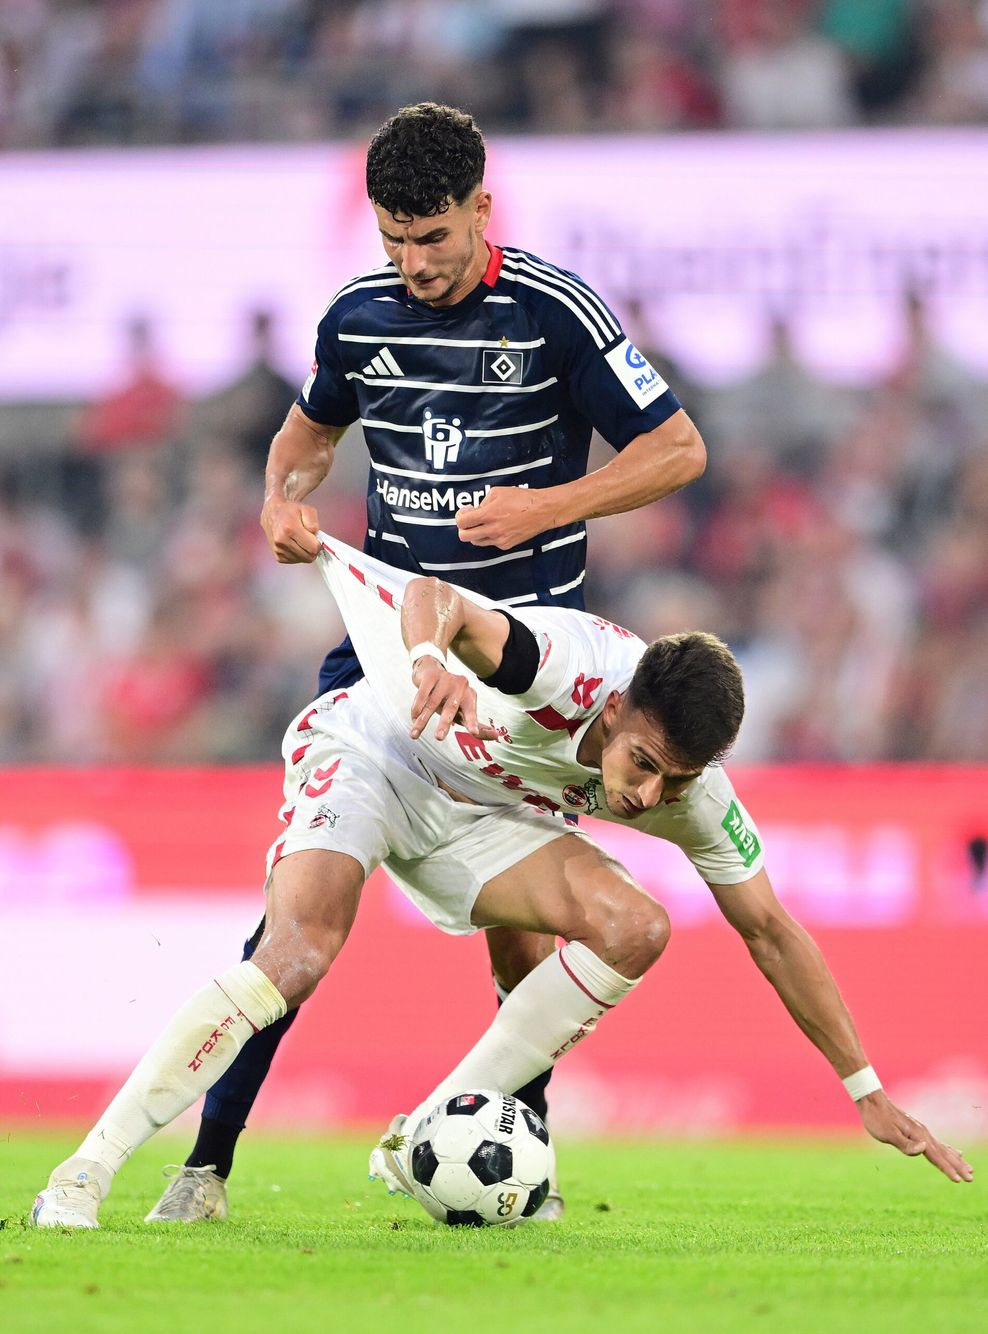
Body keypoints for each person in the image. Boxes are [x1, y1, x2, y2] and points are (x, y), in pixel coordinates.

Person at [30, 535, 972, 1229]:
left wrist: (864, 1087)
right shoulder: (563, 665)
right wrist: (432, 657)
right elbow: (436, 596)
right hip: (377, 751)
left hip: (480, 816)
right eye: (642, 763)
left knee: (637, 926)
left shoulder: (686, 786)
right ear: (616, 709)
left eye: (675, 780)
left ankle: (423, 1133)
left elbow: (771, 930)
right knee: (300, 951)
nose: (648, 797)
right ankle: (85, 1171)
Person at [143, 100, 707, 1224]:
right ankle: (205, 1163)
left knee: (523, 937)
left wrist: (552, 500)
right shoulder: (358, 319)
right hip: (384, 651)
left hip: (523, 675)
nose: (414, 263)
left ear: (479, 210)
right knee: (295, 922)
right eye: (394, 240)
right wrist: (279, 505)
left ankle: (523, 1158)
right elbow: (303, 440)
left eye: (433, 237)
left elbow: (677, 448)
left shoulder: (553, 312)